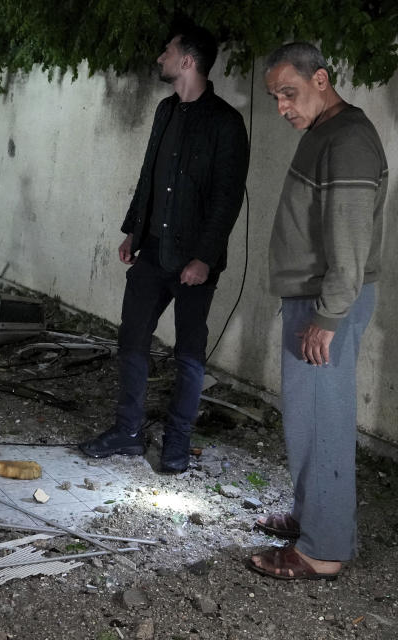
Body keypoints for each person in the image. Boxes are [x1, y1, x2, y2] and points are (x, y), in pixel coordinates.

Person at [79, 22, 249, 472]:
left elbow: (226, 199)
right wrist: (134, 230)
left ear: (188, 61)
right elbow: (149, 175)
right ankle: (128, 433)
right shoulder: (164, 111)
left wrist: (204, 259)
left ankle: (176, 445)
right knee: (131, 339)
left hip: (194, 262)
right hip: (152, 251)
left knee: (189, 355)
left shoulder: (226, 124)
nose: (160, 58)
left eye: (167, 51)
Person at [249, 43, 388, 580]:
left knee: (323, 422)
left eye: (290, 92)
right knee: (307, 421)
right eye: (275, 97)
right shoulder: (326, 134)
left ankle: (323, 550)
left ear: (322, 79)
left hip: (326, 303)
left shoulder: (347, 139)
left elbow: (350, 243)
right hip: (316, 298)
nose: (282, 106)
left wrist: (327, 318)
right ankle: (313, 519)